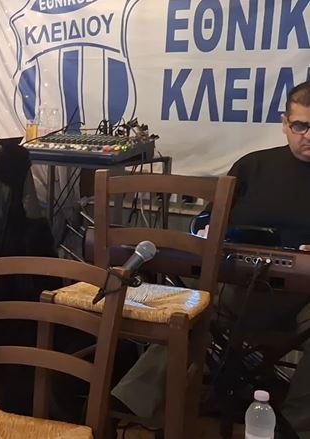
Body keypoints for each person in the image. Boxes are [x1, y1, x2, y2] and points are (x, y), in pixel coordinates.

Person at [111, 81, 310, 438]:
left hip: (305, 298)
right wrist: (206, 232)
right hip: (241, 284)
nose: (308, 135)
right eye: (301, 126)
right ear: (285, 123)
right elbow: (206, 220)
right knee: (191, 306)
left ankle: (295, 430)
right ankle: (130, 407)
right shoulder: (253, 166)